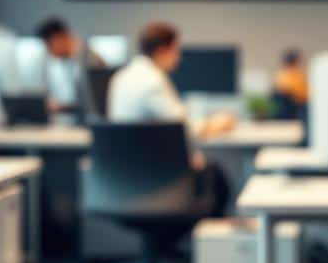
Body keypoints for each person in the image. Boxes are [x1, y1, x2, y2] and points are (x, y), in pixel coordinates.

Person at [108, 22, 234, 214]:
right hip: (156, 177)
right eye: (176, 50)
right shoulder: (152, 81)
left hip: (125, 176)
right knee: (216, 177)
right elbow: (185, 128)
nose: (179, 57)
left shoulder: (121, 77)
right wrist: (216, 124)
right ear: (162, 50)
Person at [34, 16, 102, 117]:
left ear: (60, 37)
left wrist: (63, 107)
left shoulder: (91, 60)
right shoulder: (63, 63)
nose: (48, 51)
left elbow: (94, 104)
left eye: (49, 45)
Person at [271, 48, 309, 121]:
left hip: (292, 110)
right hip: (288, 111)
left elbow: (303, 95)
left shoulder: (295, 76)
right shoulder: (284, 76)